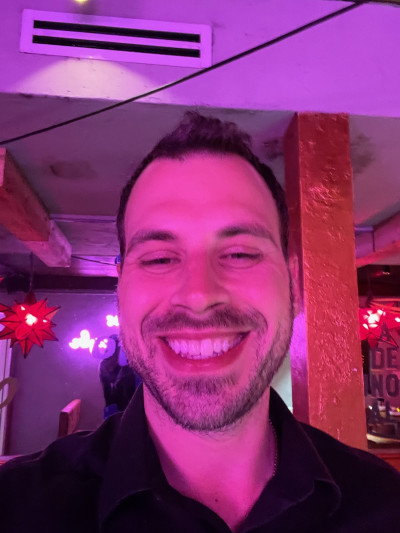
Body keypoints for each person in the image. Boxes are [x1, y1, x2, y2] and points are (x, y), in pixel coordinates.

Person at [1, 113, 400, 532]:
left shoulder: (386, 507)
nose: (198, 295)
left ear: (293, 283)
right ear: (121, 289)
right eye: (159, 259)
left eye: (241, 254)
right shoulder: (15, 510)